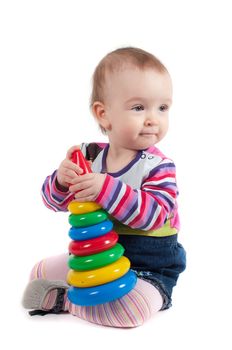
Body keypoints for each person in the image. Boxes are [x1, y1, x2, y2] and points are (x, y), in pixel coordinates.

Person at [22, 47, 186, 328]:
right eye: (138, 107)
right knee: (38, 272)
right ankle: (80, 292)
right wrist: (62, 181)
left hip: (149, 269)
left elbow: (154, 215)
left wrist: (105, 189)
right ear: (103, 115)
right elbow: (53, 202)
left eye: (163, 107)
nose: (152, 119)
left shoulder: (158, 166)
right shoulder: (89, 158)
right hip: (95, 260)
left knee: (131, 313)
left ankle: (66, 300)